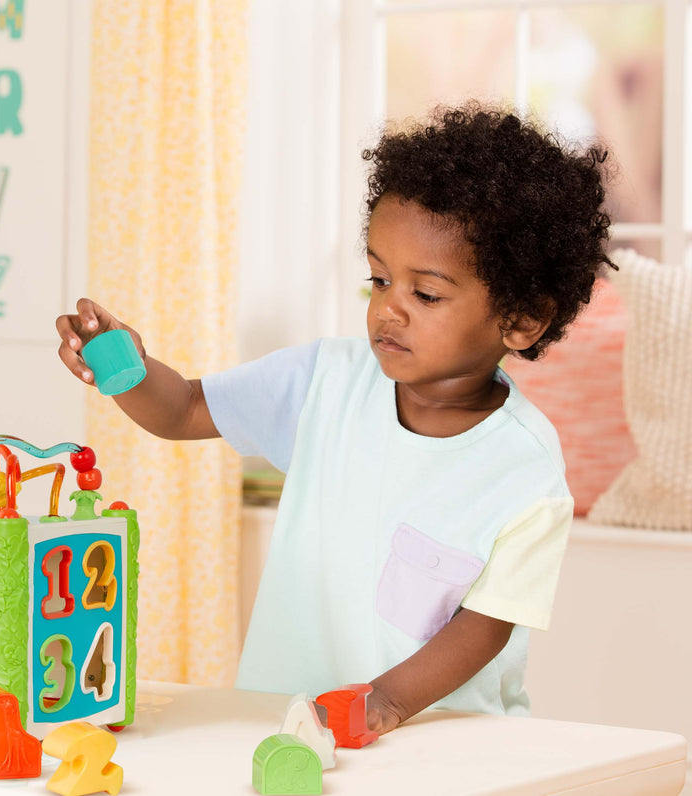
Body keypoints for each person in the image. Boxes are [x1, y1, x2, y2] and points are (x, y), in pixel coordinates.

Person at [55, 105, 614, 736]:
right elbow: (184, 407)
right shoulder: (326, 381)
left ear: (521, 319)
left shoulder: (524, 467)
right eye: (379, 279)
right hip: (281, 722)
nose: (388, 311)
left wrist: (386, 702)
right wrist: (125, 368)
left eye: (424, 294)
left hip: (444, 742)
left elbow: (486, 624)